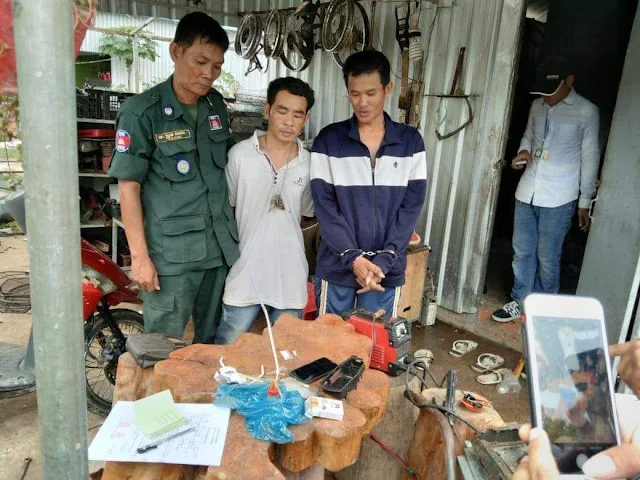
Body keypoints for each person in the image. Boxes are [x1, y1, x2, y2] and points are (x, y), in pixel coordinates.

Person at [108, 12, 239, 343]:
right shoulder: (141, 112)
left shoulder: (215, 106)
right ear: (176, 51)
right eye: (200, 62)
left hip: (219, 251)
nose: (209, 74)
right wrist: (140, 259)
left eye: (217, 66)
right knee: (161, 348)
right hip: (172, 258)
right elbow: (128, 187)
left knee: (213, 348)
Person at [310, 50, 427, 316]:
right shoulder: (329, 141)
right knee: (329, 340)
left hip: (384, 273)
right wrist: (353, 258)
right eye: (355, 94)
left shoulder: (410, 143)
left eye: (371, 93)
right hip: (338, 268)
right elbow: (325, 207)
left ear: (388, 89)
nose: (362, 103)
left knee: (374, 339)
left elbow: (410, 208)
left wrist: (385, 260)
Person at [493, 56, 600, 322]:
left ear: (569, 82)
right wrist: (522, 153)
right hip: (527, 191)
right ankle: (520, 300)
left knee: (548, 257)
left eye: (550, 91)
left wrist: (585, 201)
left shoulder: (587, 111)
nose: (546, 98)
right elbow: (528, 136)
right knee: (522, 252)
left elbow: (590, 158)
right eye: (542, 92)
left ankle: (544, 306)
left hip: (560, 196)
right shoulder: (536, 106)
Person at [214, 77, 315, 344]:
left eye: (297, 114)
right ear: (267, 110)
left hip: (290, 277)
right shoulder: (239, 155)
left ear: (305, 119)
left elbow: (303, 216)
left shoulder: (309, 164)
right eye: (282, 111)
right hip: (244, 273)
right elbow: (229, 209)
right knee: (227, 351)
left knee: (285, 355)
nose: (289, 121)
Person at [513, 339, 640, 480]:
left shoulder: (621, 411)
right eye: (581, 386)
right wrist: (582, 424)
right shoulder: (586, 402)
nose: (588, 391)